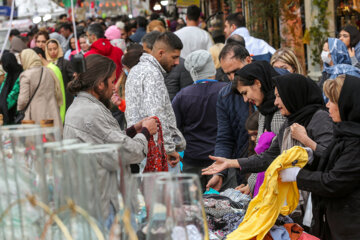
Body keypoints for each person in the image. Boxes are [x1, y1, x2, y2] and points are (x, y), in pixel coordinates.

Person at [203, 73, 333, 223]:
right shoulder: (289, 122)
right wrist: (230, 163)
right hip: (295, 200)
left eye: (280, 96)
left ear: (292, 95)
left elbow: (330, 157)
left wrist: (305, 139)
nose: (276, 102)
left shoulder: (320, 118)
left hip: (316, 201)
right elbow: (269, 157)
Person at [63, 54, 158, 229]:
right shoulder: (90, 112)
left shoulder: (83, 106)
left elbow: (104, 141)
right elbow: (130, 152)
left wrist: (132, 130)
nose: (114, 87)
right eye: (112, 81)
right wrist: (145, 132)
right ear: (100, 83)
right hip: (102, 203)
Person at [280, 74, 360, 239]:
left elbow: (335, 181)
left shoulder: (355, 141)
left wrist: (297, 175)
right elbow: (335, 162)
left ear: (345, 105)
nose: (327, 105)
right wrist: (311, 158)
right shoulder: (344, 133)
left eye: (332, 101)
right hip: (335, 223)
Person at [125, 32, 186, 167]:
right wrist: (169, 149)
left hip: (142, 148)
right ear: (161, 53)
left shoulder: (136, 70)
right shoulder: (152, 73)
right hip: (155, 153)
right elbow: (157, 115)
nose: (177, 62)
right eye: (174, 57)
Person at [172, 50, 227, 190]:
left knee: (191, 204)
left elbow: (175, 128)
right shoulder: (226, 91)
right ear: (212, 67)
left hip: (192, 159)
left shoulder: (182, 95)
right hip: (222, 159)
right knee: (226, 206)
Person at [205, 43, 253, 191]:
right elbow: (225, 137)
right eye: (228, 74)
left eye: (236, 71)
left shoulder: (269, 86)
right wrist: (220, 173)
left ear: (248, 61)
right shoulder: (226, 96)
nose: (233, 78)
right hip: (243, 168)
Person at [141, 31, 193, 101]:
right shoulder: (142, 70)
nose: (144, 55)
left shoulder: (182, 66)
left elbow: (188, 97)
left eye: (146, 52)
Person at [17, 49, 62, 128]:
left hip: (35, 114)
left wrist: (20, 108)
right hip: (52, 112)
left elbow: (23, 100)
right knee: (53, 137)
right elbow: (57, 91)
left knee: (38, 138)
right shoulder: (49, 71)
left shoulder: (26, 75)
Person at [33, 47, 66, 123]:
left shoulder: (52, 69)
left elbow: (58, 92)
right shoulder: (46, 68)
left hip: (56, 113)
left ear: (39, 56)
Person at [45, 39, 74, 109]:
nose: (53, 51)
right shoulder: (45, 64)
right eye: (50, 49)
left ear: (59, 48)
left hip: (65, 97)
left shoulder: (66, 63)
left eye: (55, 48)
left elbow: (72, 80)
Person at [0, 52, 22, 125]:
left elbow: (14, 95)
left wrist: (3, 106)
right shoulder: (8, 75)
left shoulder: (20, 75)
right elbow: (1, 91)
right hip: (6, 112)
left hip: (15, 115)